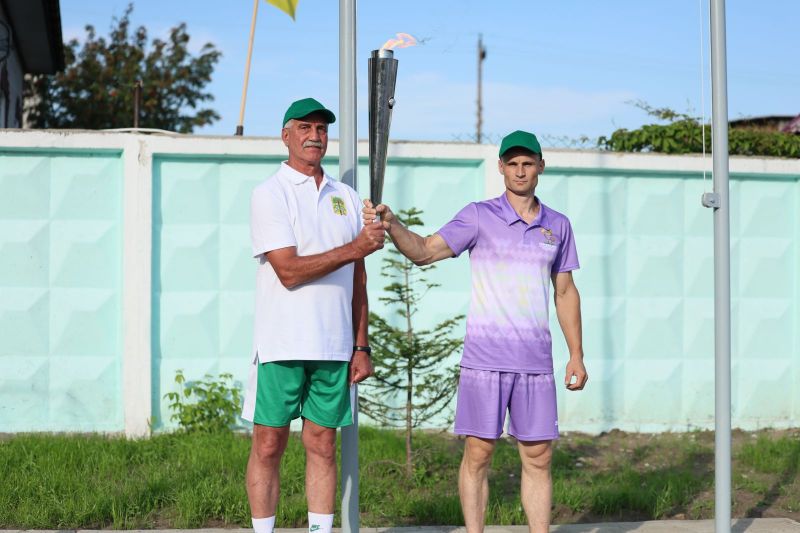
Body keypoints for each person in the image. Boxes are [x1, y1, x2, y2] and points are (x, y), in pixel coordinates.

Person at [362, 130, 588, 533]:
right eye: (513, 164)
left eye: (528, 163)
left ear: (540, 166)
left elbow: (565, 291)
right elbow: (425, 251)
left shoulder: (558, 225)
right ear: (501, 167)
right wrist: (393, 225)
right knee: (479, 454)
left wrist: (576, 355)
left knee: (539, 458)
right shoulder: (479, 216)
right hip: (484, 361)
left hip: (535, 363)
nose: (520, 171)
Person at [242, 97, 384, 533]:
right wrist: (355, 247)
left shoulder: (347, 197)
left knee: (322, 445)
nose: (314, 136)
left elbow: (358, 279)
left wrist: (361, 345)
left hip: (334, 345)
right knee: (269, 444)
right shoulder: (270, 193)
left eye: (321, 129)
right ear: (285, 135)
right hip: (281, 344)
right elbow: (288, 271)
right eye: (304, 128)